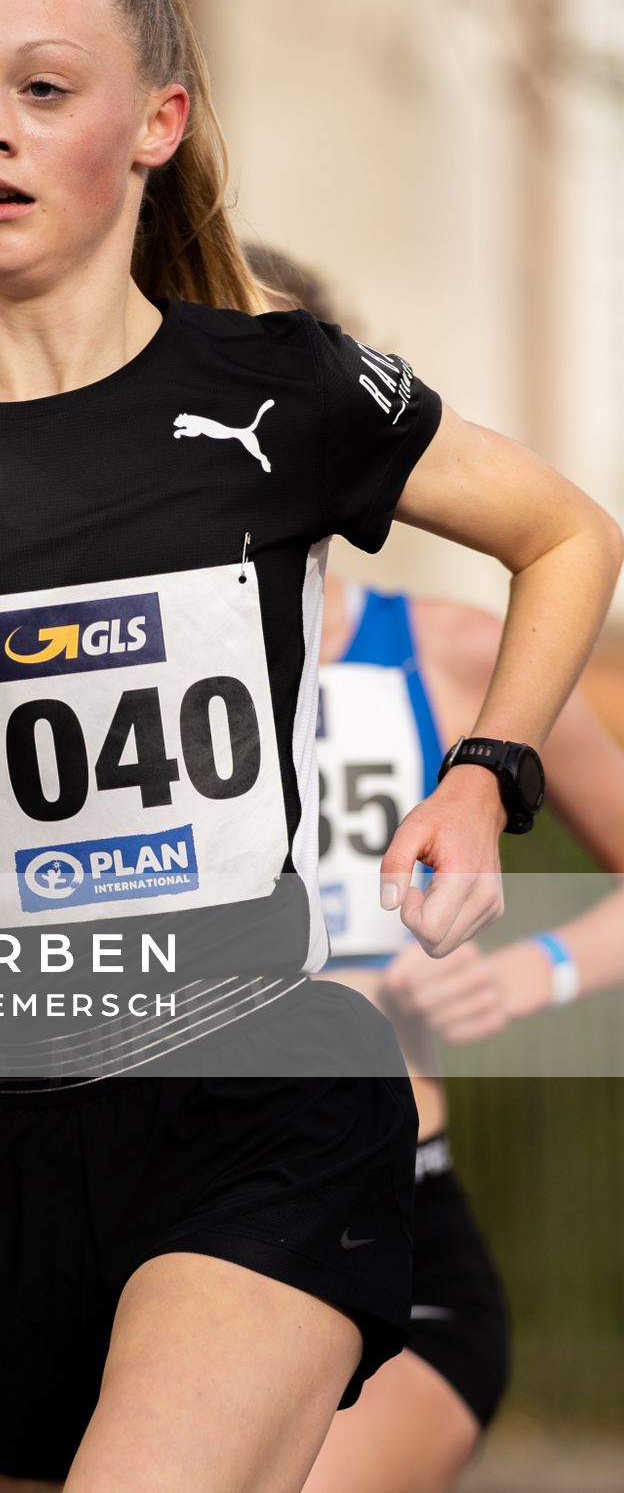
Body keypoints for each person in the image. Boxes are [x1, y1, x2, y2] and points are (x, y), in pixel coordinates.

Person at [0, 0, 623, 1493]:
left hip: (262, 1082)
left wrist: (486, 775)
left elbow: (567, 532)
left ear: (156, 125)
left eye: (43, 88)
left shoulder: (281, 391)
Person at [248, 243, 624, 1493]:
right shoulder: (100, 689)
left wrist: (530, 979)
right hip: (151, 1217)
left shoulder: (457, 657)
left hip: (390, 1227)